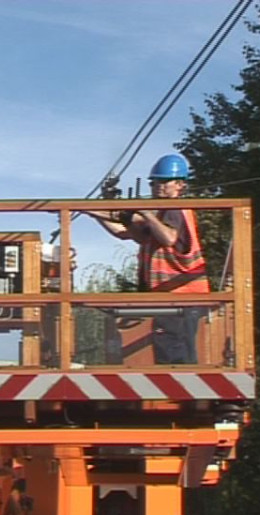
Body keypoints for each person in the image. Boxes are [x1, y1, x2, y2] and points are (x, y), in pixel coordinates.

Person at [89, 153, 210, 364]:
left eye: (164, 182)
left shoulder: (176, 209)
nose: (158, 186)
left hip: (183, 295)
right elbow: (124, 230)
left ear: (181, 185)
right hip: (170, 296)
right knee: (169, 349)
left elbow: (169, 238)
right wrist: (94, 211)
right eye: (154, 182)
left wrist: (145, 214)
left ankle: (181, 392)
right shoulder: (160, 215)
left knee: (175, 352)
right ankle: (180, 391)